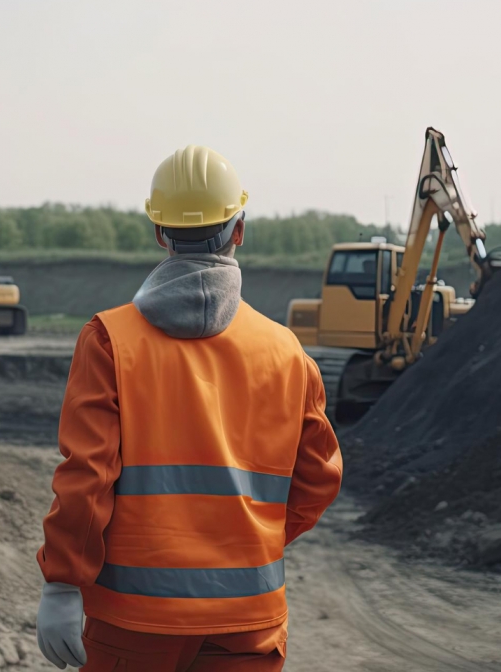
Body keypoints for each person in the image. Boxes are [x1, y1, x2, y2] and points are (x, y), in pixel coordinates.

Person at [36, 145, 342, 671]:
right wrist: (252, 535)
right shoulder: (287, 352)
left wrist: (64, 583)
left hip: (134, 621)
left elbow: (87, 475)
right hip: (248, 620)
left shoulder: (110, 340)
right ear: (239, 230)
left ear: (159, 232)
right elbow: (319, 478)